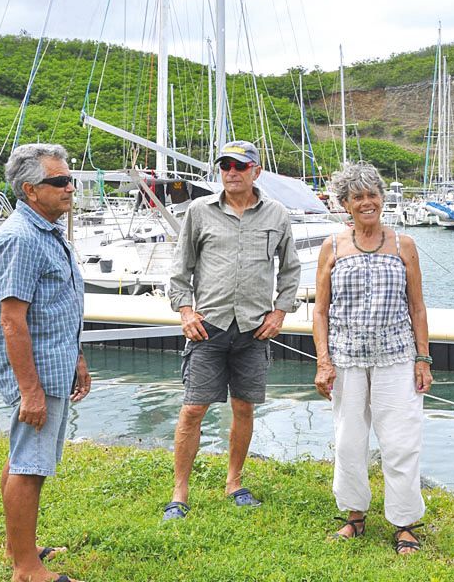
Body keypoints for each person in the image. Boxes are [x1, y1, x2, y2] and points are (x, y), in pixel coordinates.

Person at [164, 140, 302, 519]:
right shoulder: (199, 211)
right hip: (208, 327)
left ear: (256, 171)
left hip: (254, 330)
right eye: (225, 165)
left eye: (240, 166)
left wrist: (280, 312)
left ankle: (234, 482)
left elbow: (290, 269)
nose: (232, 172)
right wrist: (185, 311)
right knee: (193, 408)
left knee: (244, 407)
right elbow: (180, 268)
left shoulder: (277, 214)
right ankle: (179, 492)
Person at [312, 162, 434, 555]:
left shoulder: (403, 245)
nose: (367, 202)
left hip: (396, 357)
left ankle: (404, 522)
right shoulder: (332, 247)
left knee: (401, 441)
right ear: (345, 204)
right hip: (346, 359)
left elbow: (417, 307)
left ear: (382, 198)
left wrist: (423, 358)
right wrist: (323, 361)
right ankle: (354, 515)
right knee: (349, 440)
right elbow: (320, 312)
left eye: (373, 195)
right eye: (357, 197)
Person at [0, 143, 90, 582]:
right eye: (59, 181)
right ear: (30, 189)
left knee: (24, 456)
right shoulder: (22, 239)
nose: (70, 187)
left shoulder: (48, 232)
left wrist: (77, 357)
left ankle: (18, 547)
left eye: (70, 179)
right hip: (38, 375)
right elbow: (12, 321)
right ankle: (26, 569)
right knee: (30, 465)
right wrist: (30, 391)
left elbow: (58, 306)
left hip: (55, 364)